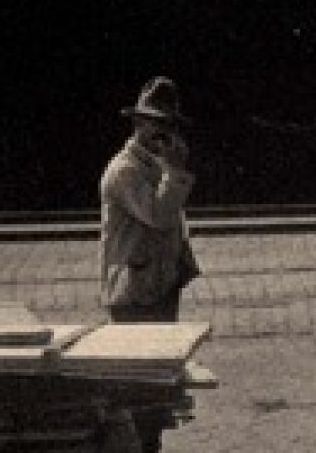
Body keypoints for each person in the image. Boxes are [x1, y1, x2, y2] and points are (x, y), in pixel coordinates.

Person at [99, 76, 200, 452]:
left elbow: (172, 223)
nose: (164, 132)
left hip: (156, 285)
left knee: (155, 392)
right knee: (139, 393)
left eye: (168, 124)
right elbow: (158, 215)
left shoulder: (152, 164)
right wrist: (176, 172)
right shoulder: (125, 170)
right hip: (134, 293)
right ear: (138, 124)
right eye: (156, 123)